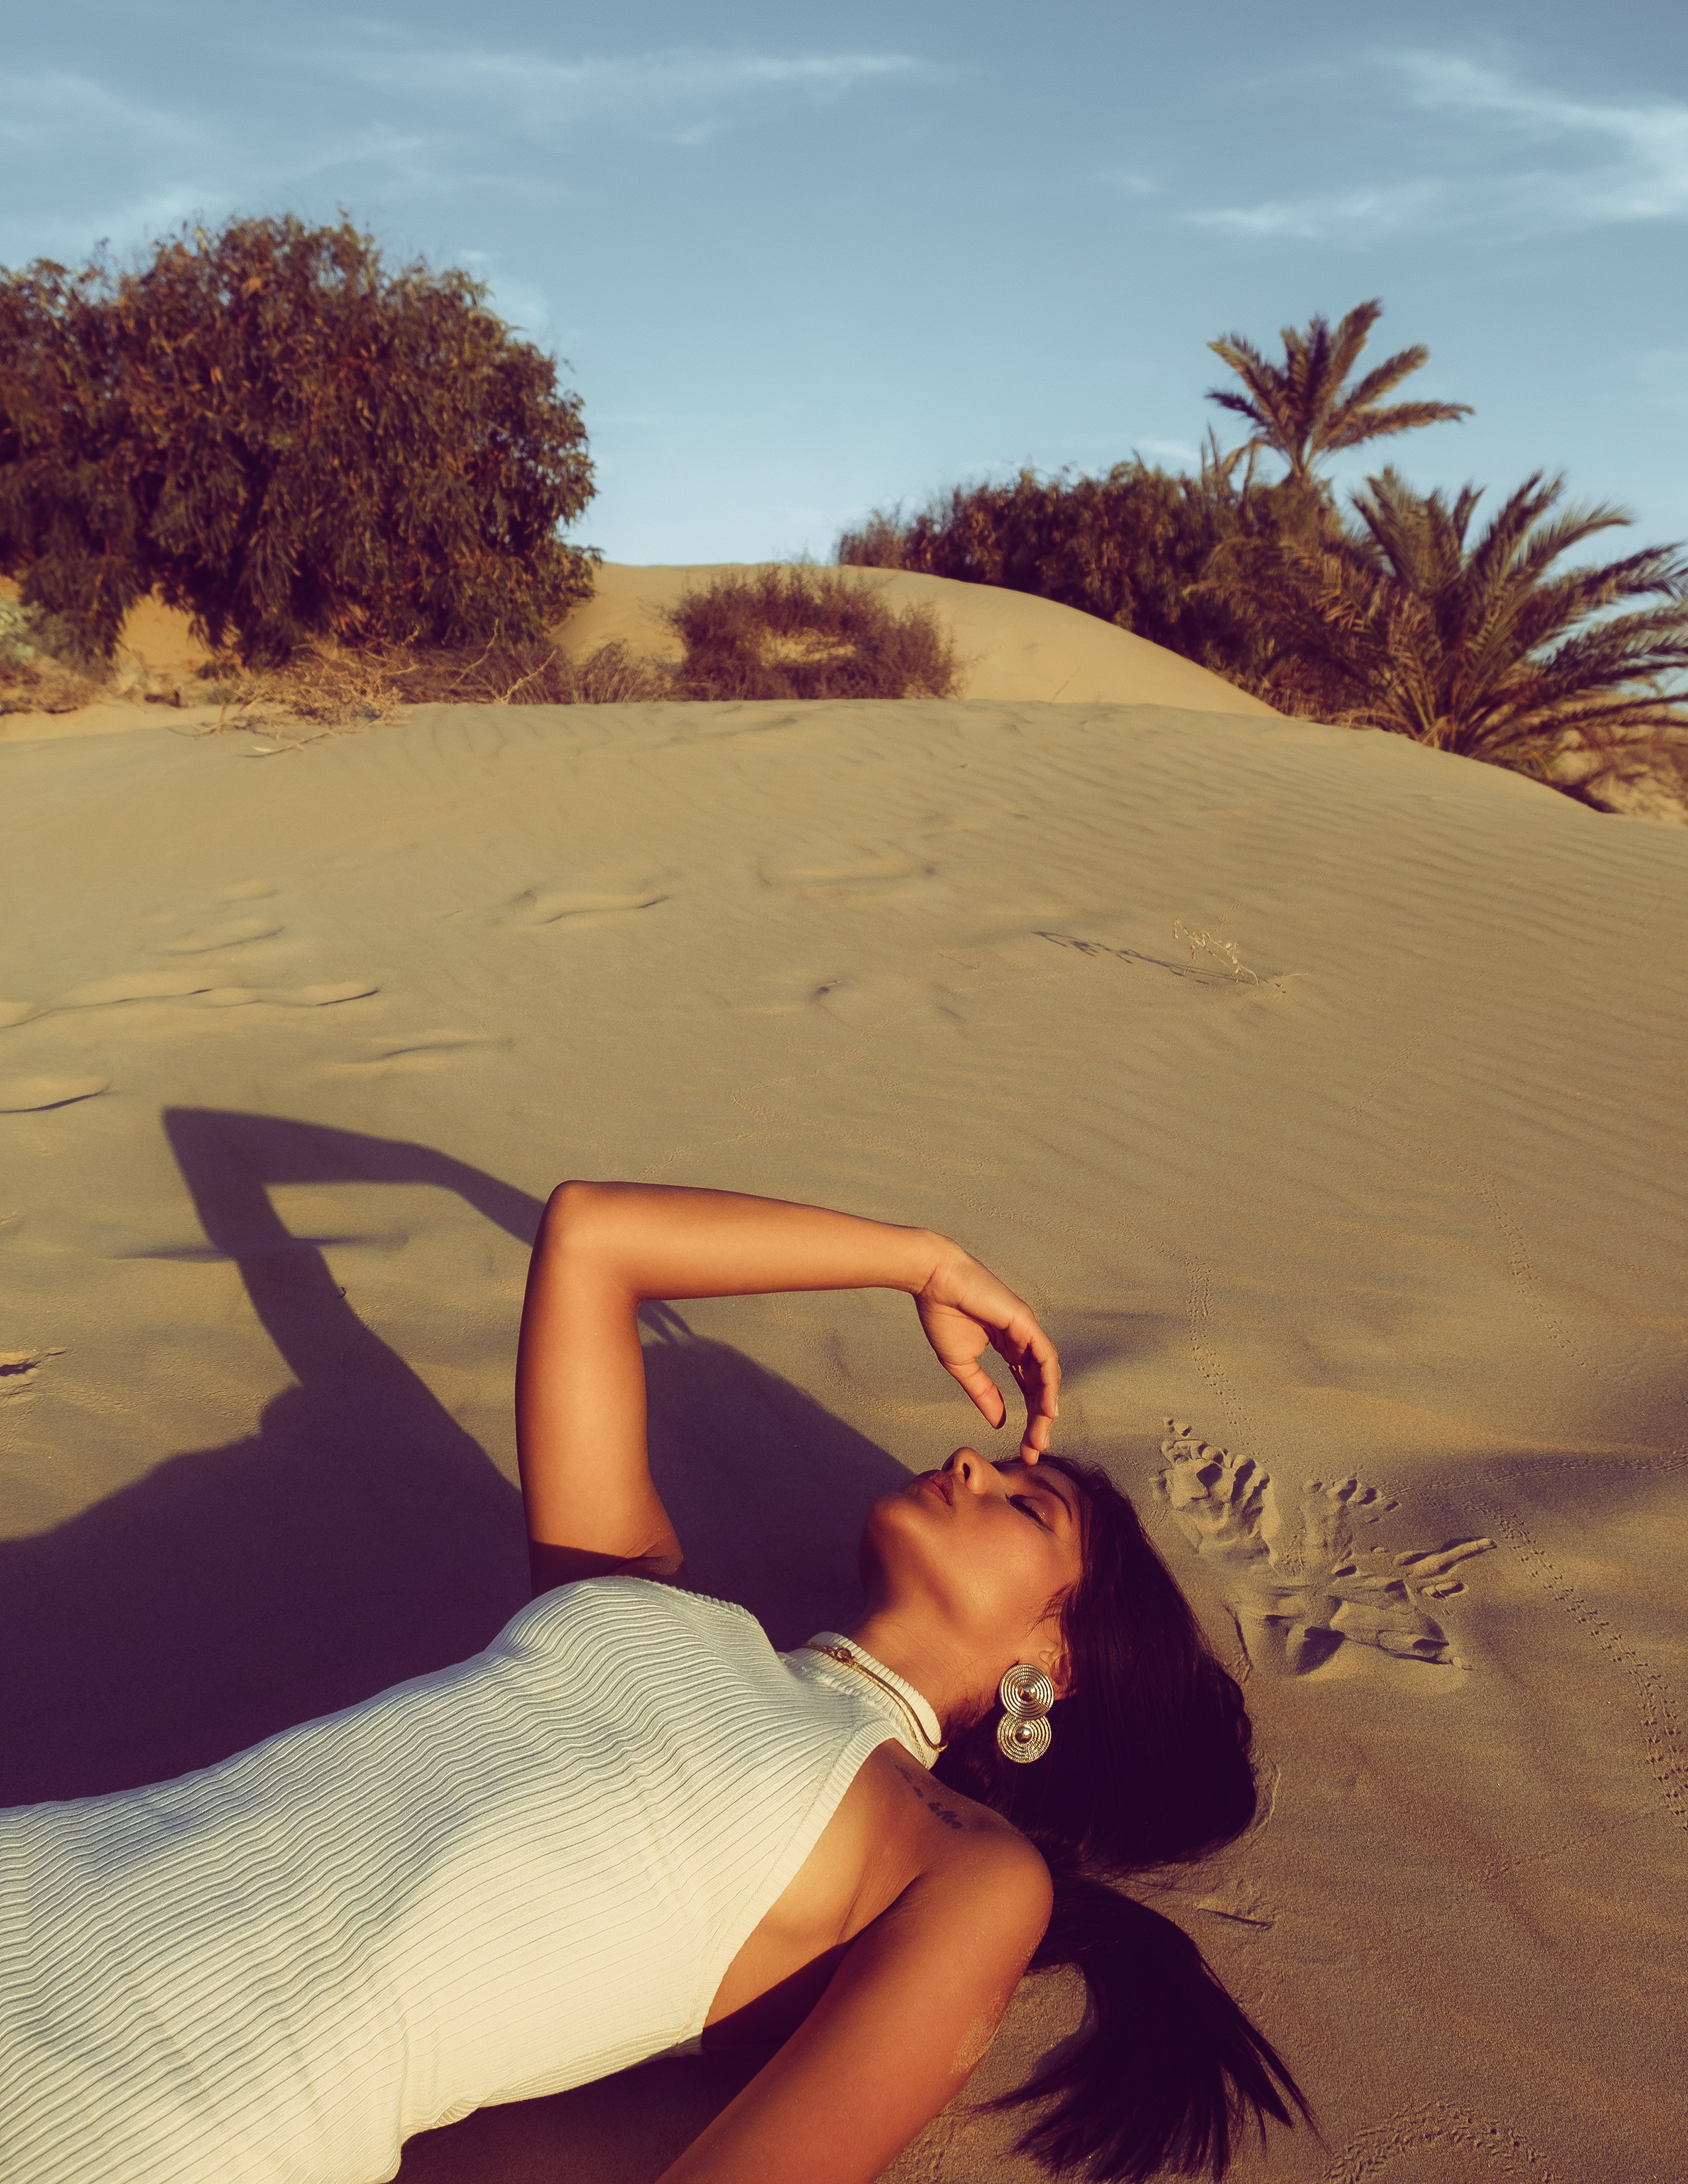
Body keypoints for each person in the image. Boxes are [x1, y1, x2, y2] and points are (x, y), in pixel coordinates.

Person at [0, 1182, 1307, 2183]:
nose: (970, 1464)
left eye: (1024, 1505)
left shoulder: (959, 1869)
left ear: (1054, 1666)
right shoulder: (628, 1592)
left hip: (179, 2125)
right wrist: (922, 1257)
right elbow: (591, 1238)